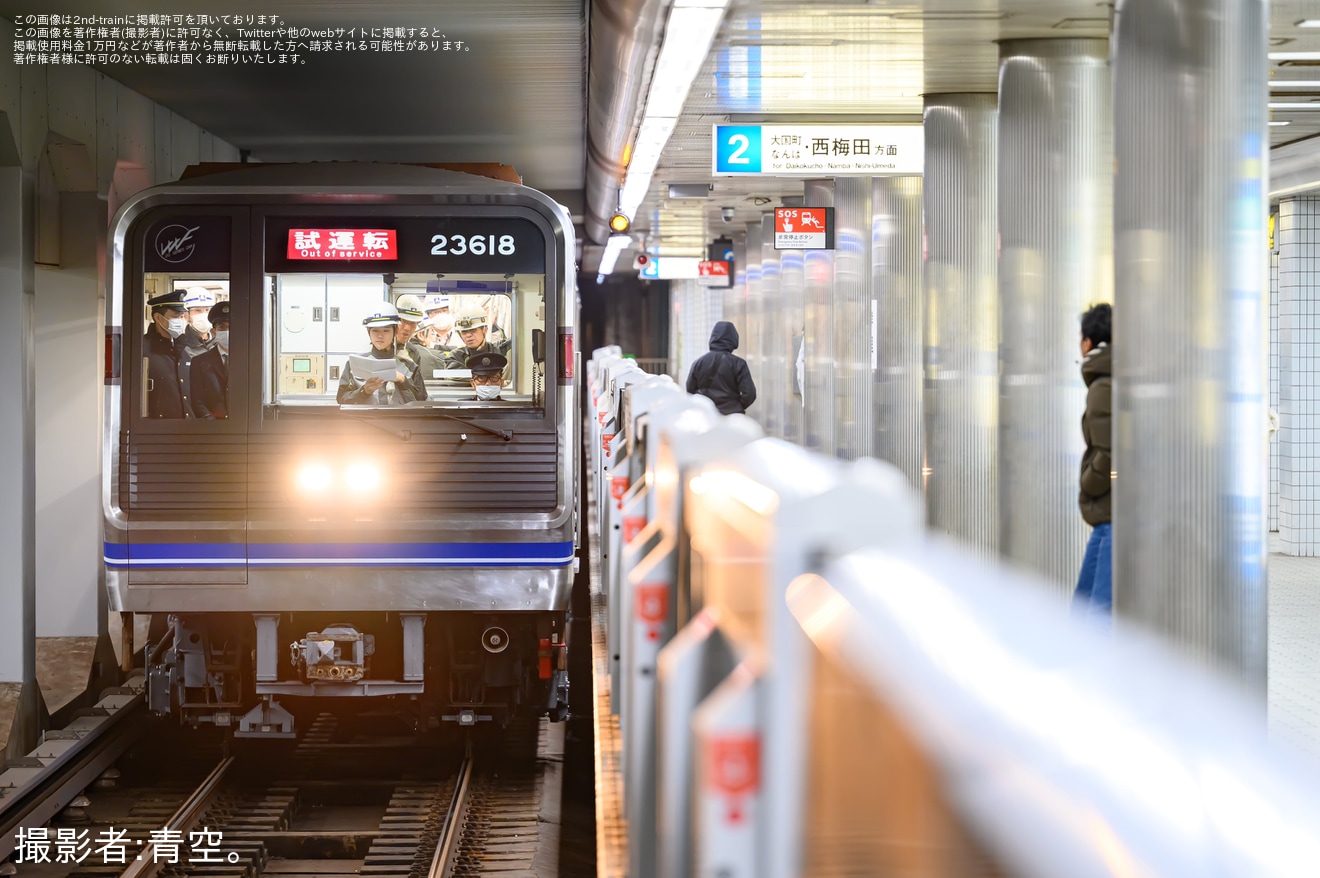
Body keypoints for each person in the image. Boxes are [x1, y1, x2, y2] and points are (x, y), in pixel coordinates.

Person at [1073, 302, 1113, 619]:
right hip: (1111, 516)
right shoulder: (1116, 379)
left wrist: (1088, 483)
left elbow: (1108, 453)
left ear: (1088, 341)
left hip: (1112, 514)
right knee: (1087, 611)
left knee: (1093, 615)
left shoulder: (1103, 386)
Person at [337, 303, 427, 405]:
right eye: (375, 330)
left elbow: (422, 402)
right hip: (365, 420)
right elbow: (341, 398)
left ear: (395, 331)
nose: (380, 335)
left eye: (386, 330)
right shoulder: (354, 365)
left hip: (399, 420)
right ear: (368, 332)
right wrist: (364, 391)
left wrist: (403, 381)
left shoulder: (410, 368)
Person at [685, 320, 756, 415]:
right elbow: (750, 394)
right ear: (733, 339)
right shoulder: (739, 364)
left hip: (706, 415)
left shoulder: (698, 363)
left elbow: (690, 390)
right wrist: (737, 406)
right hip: (732, 416)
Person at [143, 289, 191, 418]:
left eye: (182, 317)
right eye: (176, 316)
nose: (180, 321)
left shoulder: (184, 346)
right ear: (158, 317)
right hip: (158, 428)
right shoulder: (143, 348)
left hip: (188, 426)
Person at [190, 301, 231, 420]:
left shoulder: (249, 361)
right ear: (214, 332)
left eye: (231, 327)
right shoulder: (199, 362)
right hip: (212, 428)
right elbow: (197, 400)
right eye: (222, 327)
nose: (227, 331)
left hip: (242, 426)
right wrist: (210, 421)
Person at [446, 308, 511, 369]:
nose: (468, 335)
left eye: (473, 330)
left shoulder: (499, 350)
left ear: (485, 330)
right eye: (464, 331)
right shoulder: (456, 357)